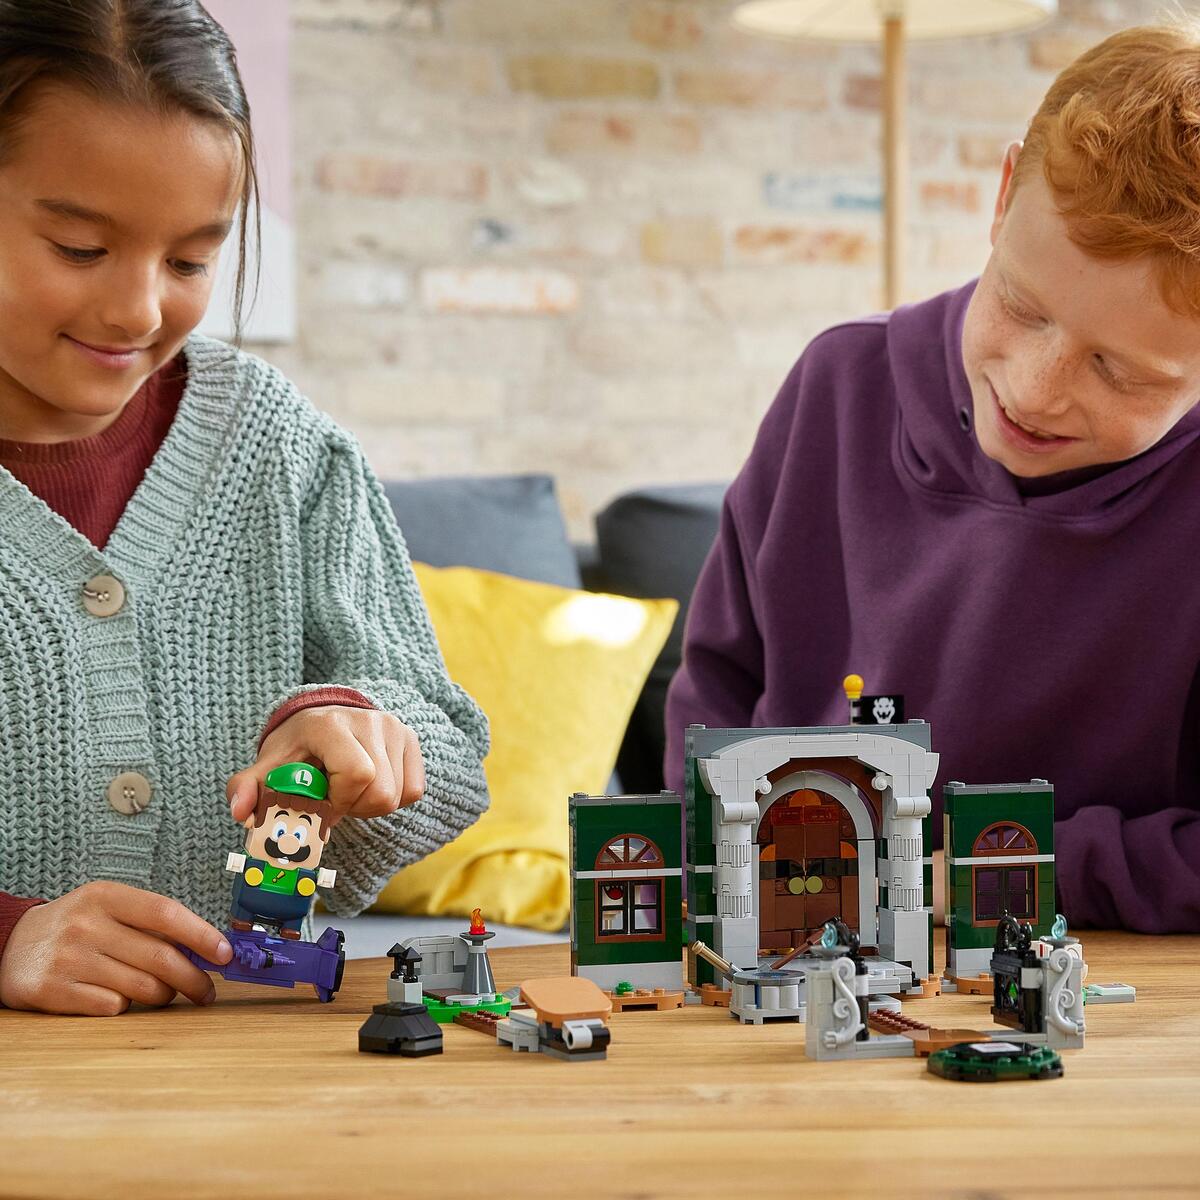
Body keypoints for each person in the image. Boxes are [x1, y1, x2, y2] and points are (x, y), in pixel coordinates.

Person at [0, 0, 489, 1015]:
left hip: (246, 1070)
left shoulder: (280, 446)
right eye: (80, 248)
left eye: (189, 261)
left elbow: (443, 741)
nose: (140, 309)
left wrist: (353, 727)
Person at [666, 23, 1200, 935]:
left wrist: (1001, 876)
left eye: (1120, 372)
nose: (1034, 391)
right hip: (799, 940)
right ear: (1002, 193)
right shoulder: (841, 384)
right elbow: (713, 700)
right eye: (1021, 306)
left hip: (1107, 967)